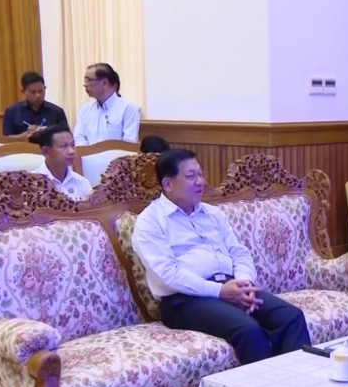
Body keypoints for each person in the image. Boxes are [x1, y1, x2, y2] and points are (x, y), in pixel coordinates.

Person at [131, 149, 312, 364]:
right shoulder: (150, 221)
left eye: (201, 174)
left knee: (290, 317)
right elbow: (168, 274)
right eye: (191, 176)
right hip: (184, 300)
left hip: (230, 287)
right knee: (249, 330)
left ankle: (296, 383)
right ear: (168, 184)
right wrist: (220, 292)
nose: (200, 182)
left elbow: (239, 252)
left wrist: (244, 283)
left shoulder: (213, 213)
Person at [74, 63, 141, 145]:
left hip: (117, 153)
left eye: (89, 80)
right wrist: (89, 152)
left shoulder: (128, 108)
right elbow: (79, 138)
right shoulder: (85, 109)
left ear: (104, 82)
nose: (85, 84)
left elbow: (129, 142)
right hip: (87, 153)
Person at [30, 125, 93, 201]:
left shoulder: (82, 182)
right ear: (45, 151)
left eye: (73, 145)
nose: (71, 151)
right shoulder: (30, 183)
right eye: (64, 146)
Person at [2, 72, 69, 140]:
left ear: (45, 88)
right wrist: (27, 135)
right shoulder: (12, 111)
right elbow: (6, 139)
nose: (38, 95)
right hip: (22, 146)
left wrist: (46, 133)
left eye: (40, 91)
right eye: (33, 92)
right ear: (23, 91)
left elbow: (67, 137)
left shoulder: (57, 111)